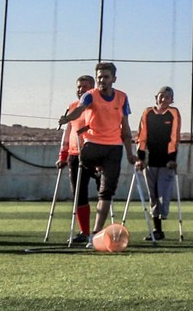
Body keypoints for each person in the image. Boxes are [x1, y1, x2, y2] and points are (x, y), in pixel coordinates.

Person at [59, 62, 138, 236]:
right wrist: (67, 118)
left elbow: (125, 127)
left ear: (114, 79)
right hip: (92, 146)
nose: (102, 80)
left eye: (106, 77)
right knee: (83, 175)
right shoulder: (90, 96)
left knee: (106, 193)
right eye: (99, 77)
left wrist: (130, 153)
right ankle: (96, 170)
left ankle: (96, 233)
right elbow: (79, 110)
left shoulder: (122, 97)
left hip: (114, 148)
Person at [134, 86, 181, 241]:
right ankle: (157, 230)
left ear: (171, 100)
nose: (163, 100)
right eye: (161, 96)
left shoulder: (173, 113)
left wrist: (172, 159)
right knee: (152, 195)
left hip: (166, 162)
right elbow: (142, 136)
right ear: (156, 98)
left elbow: (174, 137)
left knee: (163, 194)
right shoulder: (148, 113)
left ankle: (163, 214)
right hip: (150, 161)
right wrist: (140, 158)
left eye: (167, 97)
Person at [55, 74, 95, 243]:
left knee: (104, 191)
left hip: (94, 153)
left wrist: (85, 129)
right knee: (79, 193)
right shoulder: (72, 107)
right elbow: (68, 132)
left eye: (85, 87)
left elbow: (99, 125)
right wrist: (63, 156)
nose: (81, 90)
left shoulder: (97, 105)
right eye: (79, 87)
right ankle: (84, 232)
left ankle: (101, 230)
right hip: (74, 155)